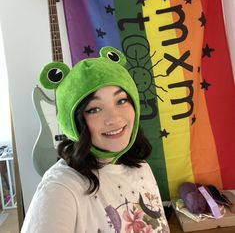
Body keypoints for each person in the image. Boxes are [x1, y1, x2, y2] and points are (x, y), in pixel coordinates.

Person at [21, 46, 170, 233]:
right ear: (74, 121)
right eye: (94, 109)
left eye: (121, 100)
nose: (114, 118)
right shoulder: (60, 188)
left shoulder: (142, 168)